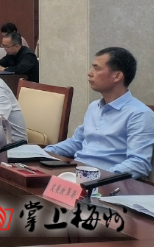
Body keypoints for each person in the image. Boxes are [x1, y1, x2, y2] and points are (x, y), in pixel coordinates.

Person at [45, 48, 154, 179]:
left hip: (106, 183)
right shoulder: (94, 107)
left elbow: (138, 164)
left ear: (117, 76)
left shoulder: (140, 114)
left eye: (96, 68)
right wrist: (42, 153)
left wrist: (97, 178)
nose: (90, 73)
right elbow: (76, 142)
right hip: (77, 173)